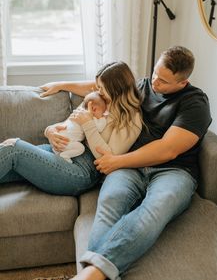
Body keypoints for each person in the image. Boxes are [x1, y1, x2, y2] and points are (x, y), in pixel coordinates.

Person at [52, 46, 209, 280]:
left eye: (164, 81)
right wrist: (62, 84)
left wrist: (116, 161)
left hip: (174, 171)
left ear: (182, 82)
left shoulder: (195, 103)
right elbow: (99, 87)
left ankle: (92, 274)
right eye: (155, 73)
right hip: (129, 168)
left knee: (156, 208)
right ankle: (91, 274)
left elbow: (168, 149)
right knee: (110, 202)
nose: (155, 82)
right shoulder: (143, 86)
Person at [0, 61, 142, 196]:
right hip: (63, 150)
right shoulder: (98, 99)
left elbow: (107, 160)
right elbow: (70, 123)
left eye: (101, 88)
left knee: (14, 149)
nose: (97, 90)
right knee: (9, 155)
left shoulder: (131, 118)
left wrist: (88, 124)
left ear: (115, 90)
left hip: (82, 171)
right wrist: (50, 131)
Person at [49, 91, 108, 163]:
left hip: (58, 140)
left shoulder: (79, 113)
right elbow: (100, 128)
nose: (103, 114)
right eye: (103, 111)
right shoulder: (89, 117)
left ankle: (58, 152)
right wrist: (103, 118)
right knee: (81, 148)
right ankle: (65, 155)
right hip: (65, 142)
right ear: (94, 109)